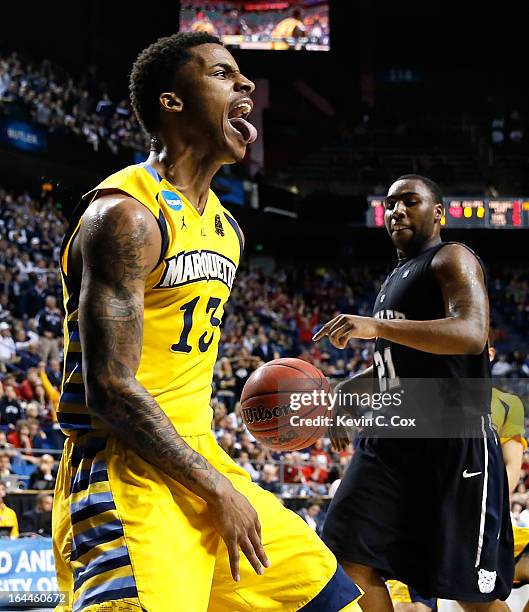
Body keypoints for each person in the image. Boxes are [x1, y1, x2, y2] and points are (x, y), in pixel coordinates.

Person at [52, 32, 362, 612]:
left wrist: (218, 478)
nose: (245, 84)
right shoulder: (125, 213)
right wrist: (217, 487)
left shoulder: (227, 229)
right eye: (223, 74)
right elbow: (111, 388)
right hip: (127, 475)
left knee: (332, 599)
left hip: (198, 455)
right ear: (172, 103)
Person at [313, 174, 513, 610]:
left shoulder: (452, 258)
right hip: (390, 438)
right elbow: (404, 363)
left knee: (469, 596)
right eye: (389, 203)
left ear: (438, 213)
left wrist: (377, 326)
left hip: (452, 440)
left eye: (410, 201)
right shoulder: (396, 276)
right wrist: (354, 387)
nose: (396, 210)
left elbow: (472, 331)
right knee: (345, 557)